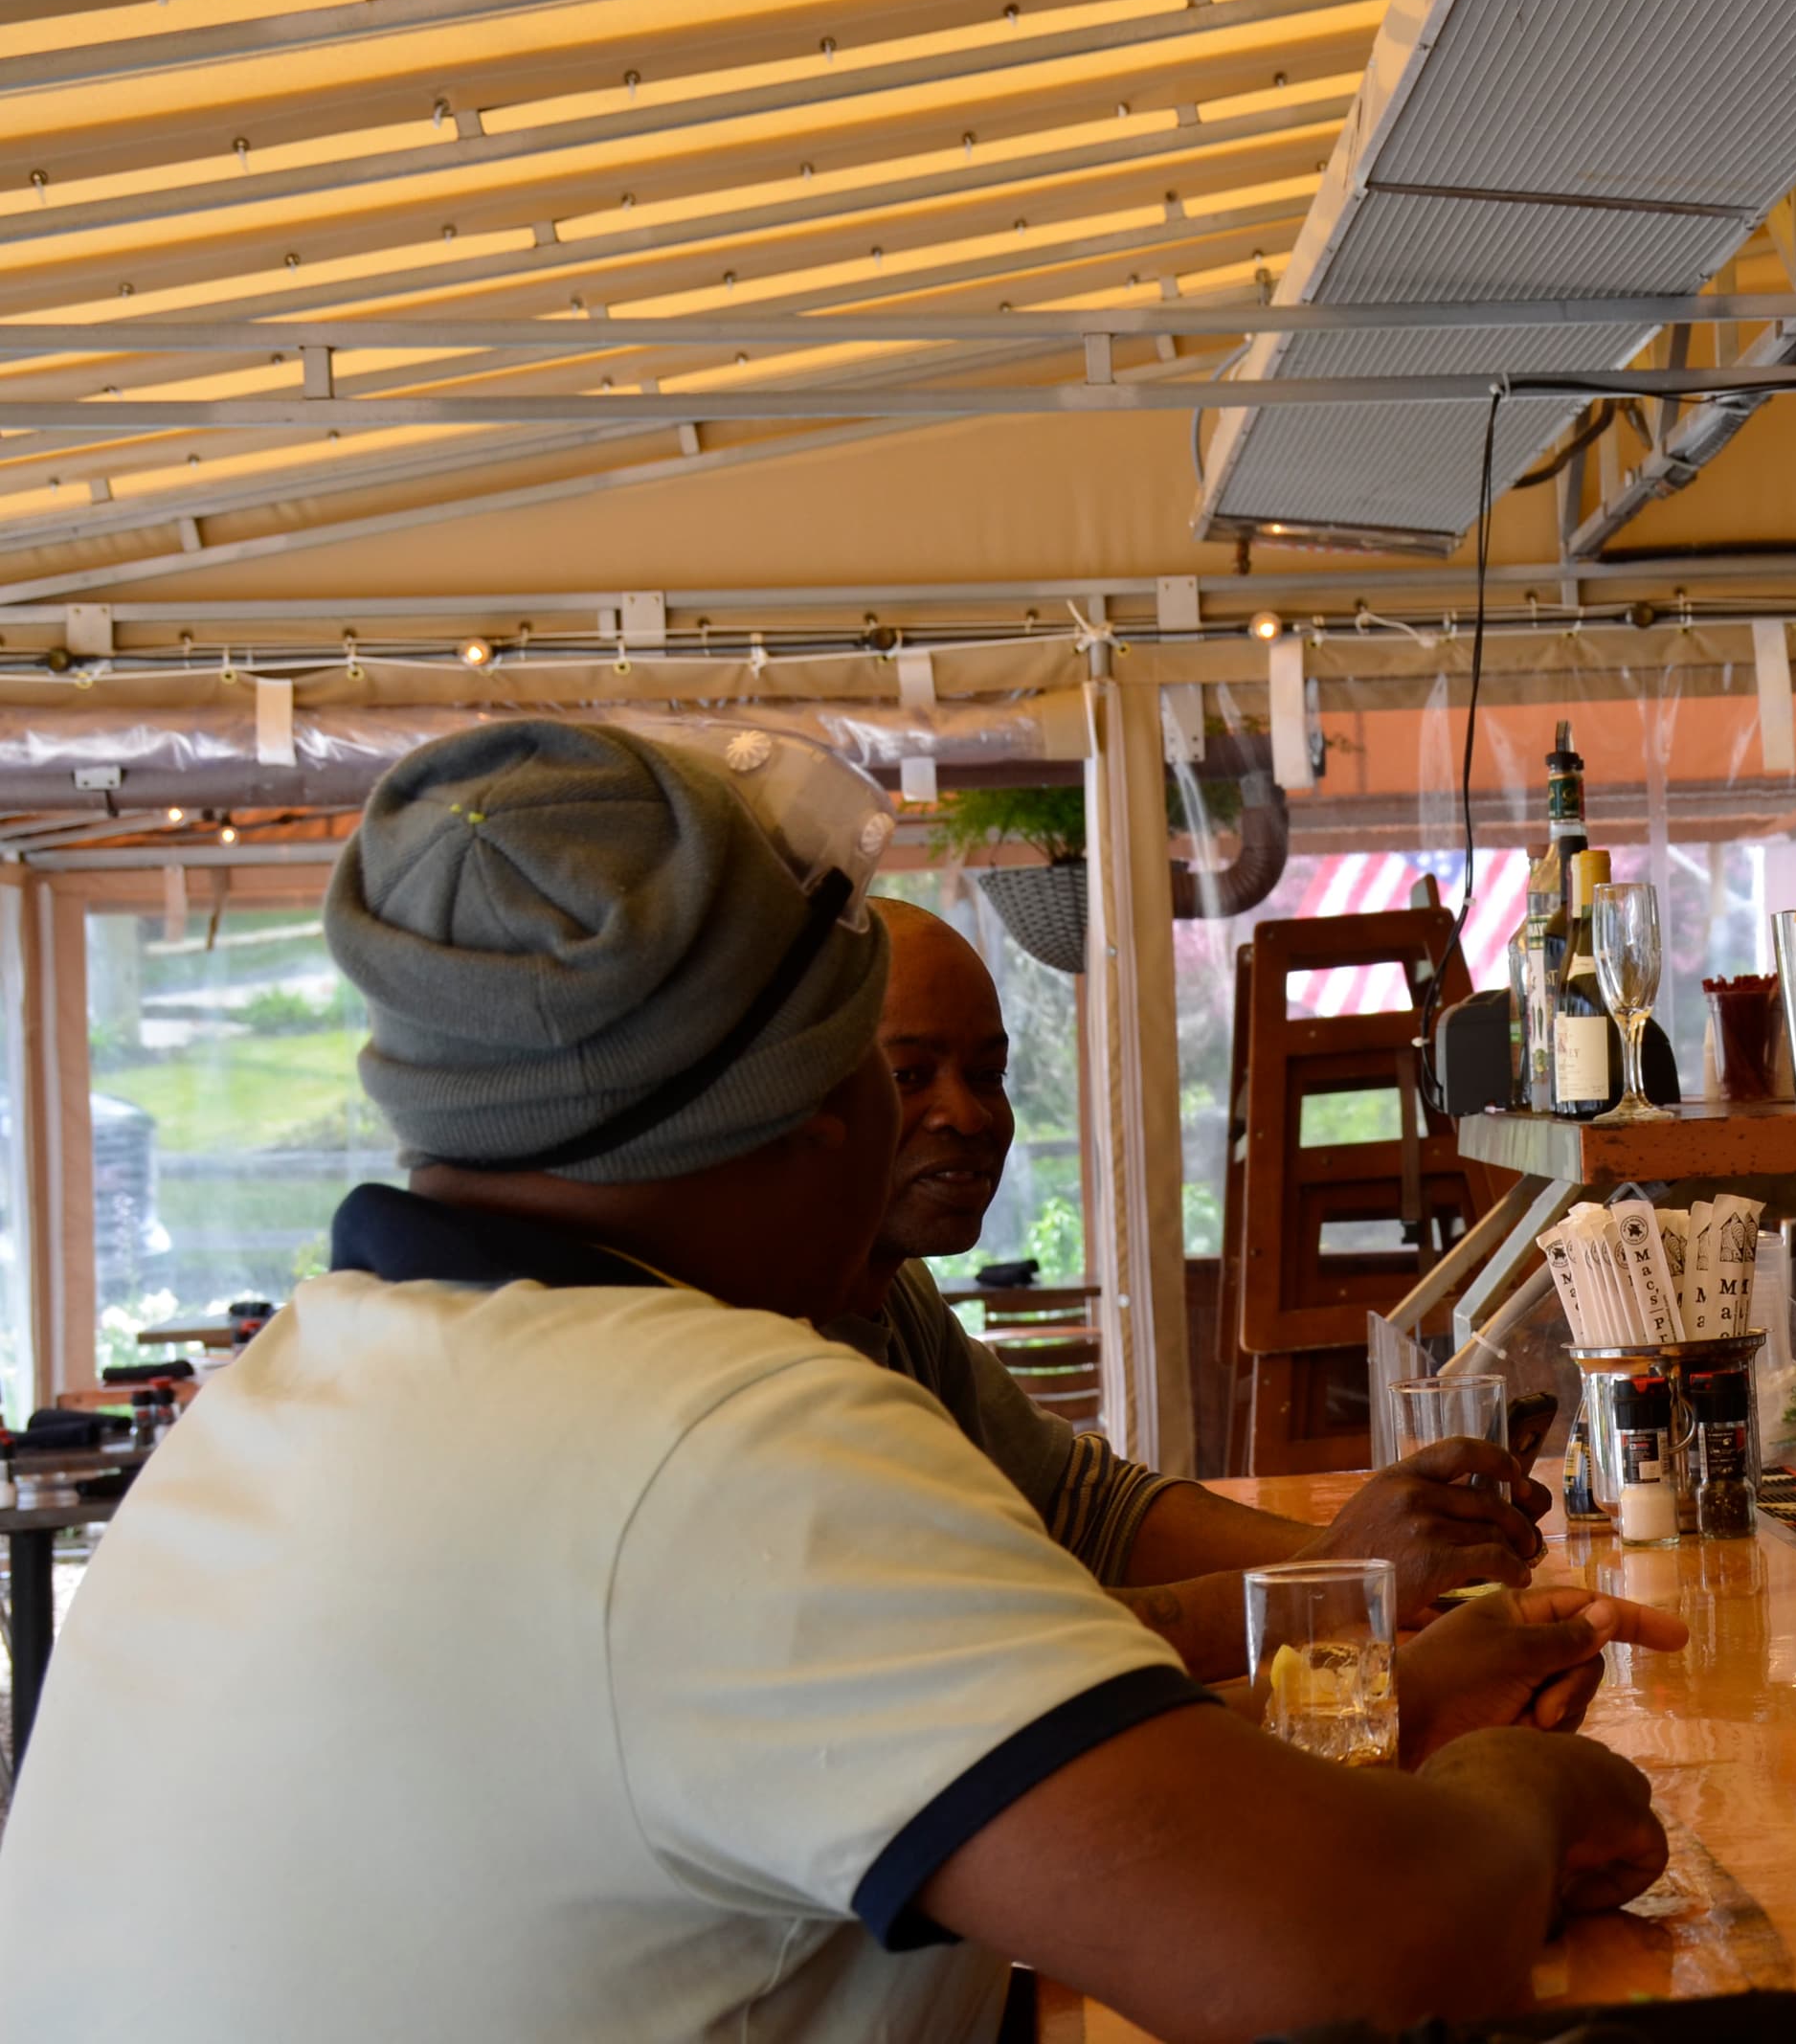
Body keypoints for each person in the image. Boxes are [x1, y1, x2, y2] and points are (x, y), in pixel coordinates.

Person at [0, 721, 1670, 2043]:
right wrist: (1513, 1791)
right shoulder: (710, 1434)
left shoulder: (312, 1387)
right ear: (821, 1115)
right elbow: (1352, 1959)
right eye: (891, 1066)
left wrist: (1357, 1678)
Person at [840, 896, 1542, 1679]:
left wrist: (1403, 1549)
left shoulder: (899, 1301)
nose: (968, 1114)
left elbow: (1093, 1511)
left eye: (988, 1075)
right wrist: (1345, 1577)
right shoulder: (766, 1360)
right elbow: (983, 1651)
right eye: (909, 1075)